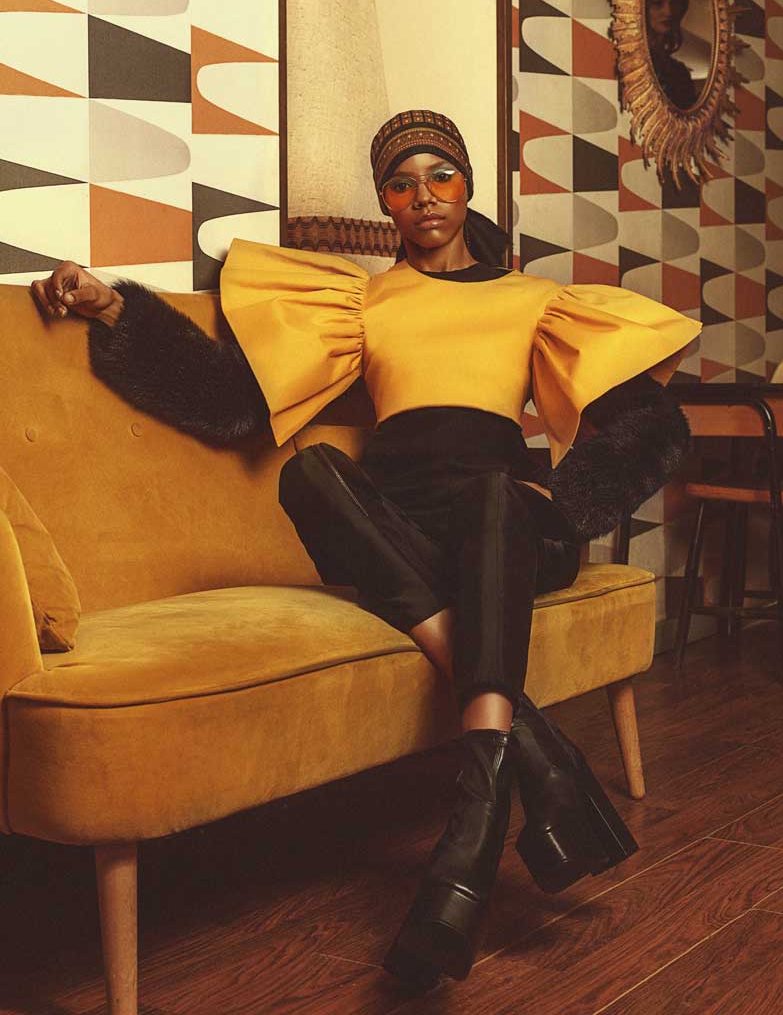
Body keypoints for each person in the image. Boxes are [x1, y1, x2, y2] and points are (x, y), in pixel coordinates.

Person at [31, 109, 701, 991]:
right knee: (310, 472)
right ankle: (526, 756)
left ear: (467, 186)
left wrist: (562, 501)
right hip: (402, 525)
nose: (424, 196)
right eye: (401, 183)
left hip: (506, 520)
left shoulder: (535, 299)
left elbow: (650, 422)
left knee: (493, 493)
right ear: (385, 203)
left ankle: (470, 830)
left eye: (440, 176)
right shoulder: (361, 302)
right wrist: (116, 307)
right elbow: (235, 403)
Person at [646, 0, 696, 111]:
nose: (668, 12)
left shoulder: (680, 73)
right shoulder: (630, 62)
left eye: (674, 3)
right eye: (657, 3)